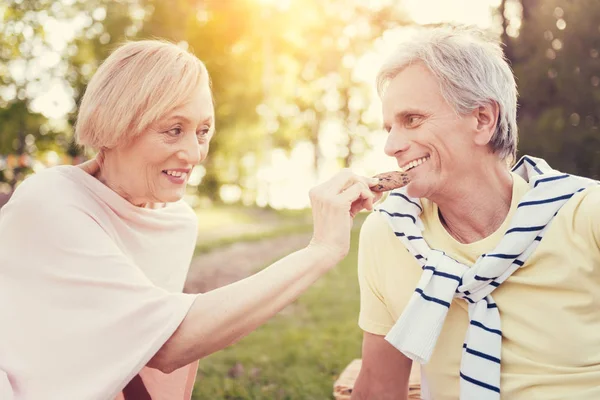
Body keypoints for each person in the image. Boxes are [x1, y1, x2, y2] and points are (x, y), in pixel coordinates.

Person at [0, 40, 379, 400]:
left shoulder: (176, 220)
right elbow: (169, 344)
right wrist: (322, 250)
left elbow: (130, 348)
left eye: (202, 131)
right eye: (173, 130)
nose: (194, 153)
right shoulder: (52, 203)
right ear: (113, 125)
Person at [352, 25, 600, 400]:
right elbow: (378, 389)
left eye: (412, 120)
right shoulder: (388, 235)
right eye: (389, 127)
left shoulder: (586, 213)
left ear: (482, 119)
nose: (391, 146)